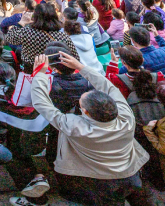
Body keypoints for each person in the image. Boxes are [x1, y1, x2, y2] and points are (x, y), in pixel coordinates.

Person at [29, 51, 148, 206]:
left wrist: (40, 74)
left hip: (97, 181)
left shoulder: (74, 125)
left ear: (85, 112)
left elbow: (42, 104)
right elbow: (108, 87)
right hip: (130, 174)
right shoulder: (126, 118)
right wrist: (80, 67)